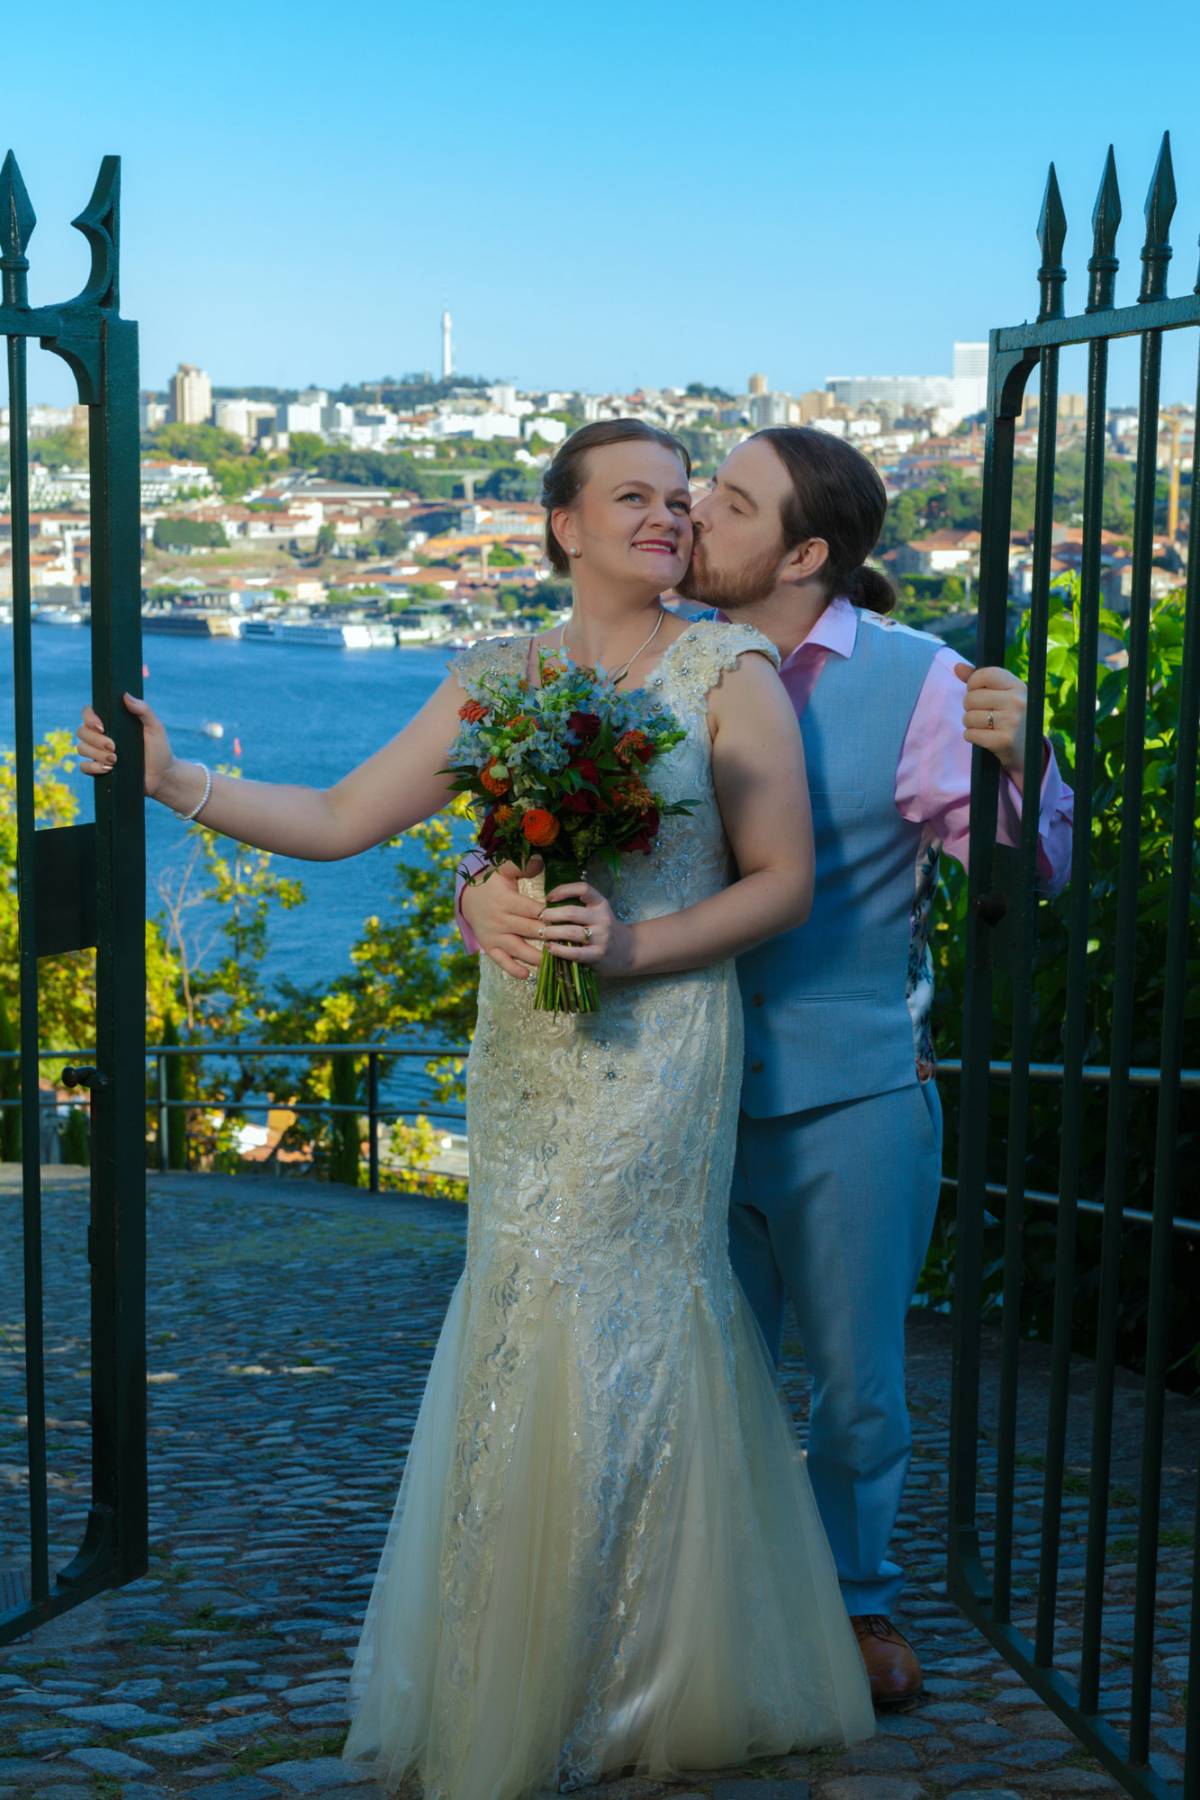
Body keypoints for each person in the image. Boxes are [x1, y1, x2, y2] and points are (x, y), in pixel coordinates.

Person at [75, 418, 875, 1800]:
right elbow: (335, 818)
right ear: (561, 525)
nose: (668, 519)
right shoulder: (496, 678)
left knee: (630, 1307)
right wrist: (170, 779)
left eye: (682, 502)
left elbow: (780, 884)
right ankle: (519, 1658)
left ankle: (646, 1672)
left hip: (660, 1038)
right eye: (633, 496)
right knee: (519, 1306)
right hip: (527, 1052)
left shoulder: (729, 672)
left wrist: (625, 949)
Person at [459, 425, 1074, 1707]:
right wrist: (479, 893)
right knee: (682, 1378)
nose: (690, 520)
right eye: (689, 496)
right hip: (660, 1088)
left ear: (802, 552)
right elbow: (534, 827)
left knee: (857, 1387)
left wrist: (1024, 763)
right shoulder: (651, 653)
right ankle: (680, 1626)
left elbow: (1025, 880)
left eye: (725, 505)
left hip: (844, 1090)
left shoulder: (914, 684)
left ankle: (855, 1607)